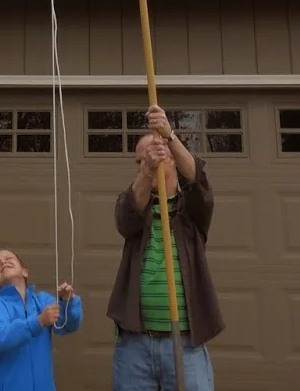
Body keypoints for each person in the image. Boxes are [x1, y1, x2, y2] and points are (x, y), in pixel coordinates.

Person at [106, 105, 222, 391]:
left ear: (171, 160)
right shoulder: (134, 207)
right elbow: (125, 218)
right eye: (138, 161)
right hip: (135, 345)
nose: (143, 164)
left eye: (150, 157)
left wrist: (170, 136)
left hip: (185, 345)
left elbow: (198, 182)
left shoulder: (191, 212)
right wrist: (146, 172)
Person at [0, 247, 82, 391]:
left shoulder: (42, 301)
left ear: (25, 271)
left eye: (9, 259)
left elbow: (67, 325)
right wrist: (39, 322)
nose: (3, 262)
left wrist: (68, 302)